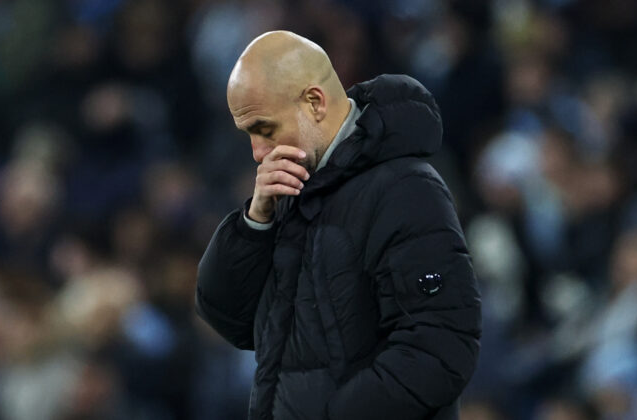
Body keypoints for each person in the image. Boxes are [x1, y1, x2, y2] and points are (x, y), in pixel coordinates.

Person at [195, 31, 481, 420]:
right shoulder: (288, 194)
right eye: (249, 135)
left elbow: (439, 349)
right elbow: (230, 320)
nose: (258, 153)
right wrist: (254, 222)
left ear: (315, 103)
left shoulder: (407, 189)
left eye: (265, 129)